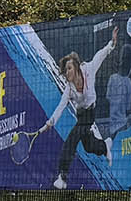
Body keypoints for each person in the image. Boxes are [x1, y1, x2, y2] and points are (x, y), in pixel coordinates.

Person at [38, 41, 117, 190]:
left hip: (90, 112)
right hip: (81, 116)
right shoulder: (69, 89)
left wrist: (111, 45)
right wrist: (50, 122)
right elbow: (60, 107)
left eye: (69, 68)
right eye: (65, 70)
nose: (66, 72)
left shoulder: (88, 70)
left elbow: (99, 56)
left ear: (76, 67)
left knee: (72, 139)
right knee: (88, 146)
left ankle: (62, 176)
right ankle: (104, 146)